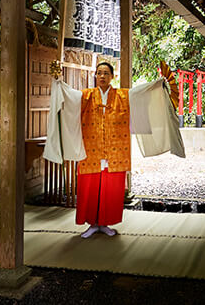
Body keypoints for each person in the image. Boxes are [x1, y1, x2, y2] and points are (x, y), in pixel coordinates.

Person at [48, 58, 180, 238]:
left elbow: (141, 93)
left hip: (115, 151)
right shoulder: (85, 95)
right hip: (91, 150)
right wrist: (59, 84)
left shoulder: (123, 96)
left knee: (111, 189)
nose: (102, 76)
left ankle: (105, 223)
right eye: (99, 73)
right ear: (95, 76)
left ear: (112, 76)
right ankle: (92, 224)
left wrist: (157, 85)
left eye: (106, 73)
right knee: (89, 188)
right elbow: (69, 96)